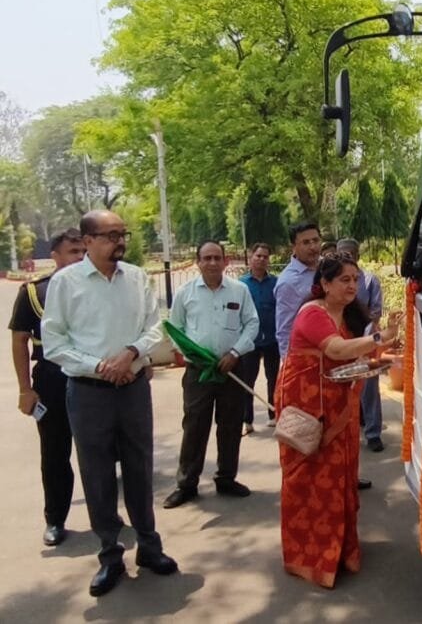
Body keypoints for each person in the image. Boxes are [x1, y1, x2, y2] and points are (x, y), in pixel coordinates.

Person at [41, 210, 177, 597]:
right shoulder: (65, 283)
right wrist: (101, 366)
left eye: (123, 234)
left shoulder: (136, 277)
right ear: (87, 241)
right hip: (88, 392)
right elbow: (54, 343)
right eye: (110, 235)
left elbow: (155, 325)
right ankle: (110, 555)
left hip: (133, 389)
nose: (120, 241)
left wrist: (130, 353)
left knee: (139, 467)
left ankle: (149, 546)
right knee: (97, 474)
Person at [276, 254, 401, 588]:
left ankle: (341, 551)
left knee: (340, 477)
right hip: (308, 410)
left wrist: (382, 347)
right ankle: (310, 558)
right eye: (344, 279)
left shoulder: (346, 314)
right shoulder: (312, 313)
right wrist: (380, 338)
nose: (352, 286)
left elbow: (354, 354)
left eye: (355, 279)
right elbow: (337, 350)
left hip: (339, 407)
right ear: (325, 283)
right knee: (308, 482)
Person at [163, 241, 259, 509]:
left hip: (231, 369)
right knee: (195, 426)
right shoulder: (185, 292)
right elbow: (175, 329)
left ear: (225, 261)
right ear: (198, 262)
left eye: (217, 257)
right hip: (199, 372)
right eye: (207, 258)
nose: (213, 263)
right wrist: (192, 355)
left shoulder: (239, 290)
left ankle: (226, 478)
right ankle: (187, 484)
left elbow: (252, 323)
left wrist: (235, 352)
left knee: (230, 425)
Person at [9, 228, 86, 547]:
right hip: (52, 379)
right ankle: (55, 519)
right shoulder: (33, 292)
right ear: (55, 256)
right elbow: (19, 341)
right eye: (73, 252)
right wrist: (25, 389)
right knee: (54, 453)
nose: (80, 257)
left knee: (100, 450)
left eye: (83, 251)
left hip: (91, 378)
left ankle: (106, 515)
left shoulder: (97, 287)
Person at [337, 238, 386, 452]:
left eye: (349, 254)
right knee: (341, 386)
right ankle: (344, 432)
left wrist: (365, 337)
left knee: (369, 387)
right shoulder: (332, 282)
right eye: (341, 254)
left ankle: (373, 433)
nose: (346, 258)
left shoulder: (369, 281)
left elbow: (376, 311)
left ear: (357, 256)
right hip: (340, 341)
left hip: (366, 339)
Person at [239, 242, 279, 435]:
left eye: (265, 256)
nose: (261, 259)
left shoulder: (276, 283)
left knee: (274, 378)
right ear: (251, 257)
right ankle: (247, 420)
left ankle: (274, 414)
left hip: (272, 338)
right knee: (247, 381)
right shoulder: (241, 284)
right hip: (249, 341)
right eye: (258, 256)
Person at [275, 221, 321, 358]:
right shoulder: (288, 282)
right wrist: (287, 363)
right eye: (306, 242)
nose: (313, 247)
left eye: (316, 240)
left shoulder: (329, 267)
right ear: (294, 247)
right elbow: (284, 329)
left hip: (335, 347)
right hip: (307, 354)